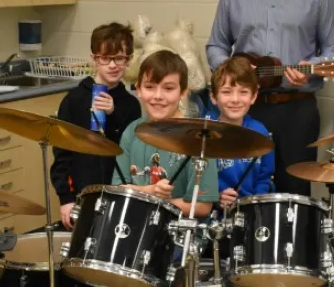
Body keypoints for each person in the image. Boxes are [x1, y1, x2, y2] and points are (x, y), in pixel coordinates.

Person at [206, 0, 334, 198]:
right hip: (243, 109)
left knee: (294, 193)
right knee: (240, 190)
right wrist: (235, 75)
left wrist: (307, 70)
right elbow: (216, 45)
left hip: (297, 110)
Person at [51, 22, 141, 230]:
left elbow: (130, 150)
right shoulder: (74, 100)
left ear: (129, 59)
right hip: (83, 193)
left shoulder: (131, 104)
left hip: (118, 194)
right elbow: (62, 153)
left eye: (119, 58)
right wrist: (66, 198)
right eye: (105, 58)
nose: (113, 65)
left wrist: (114, 114)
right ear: (94, 58)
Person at [113, 50, 219, 218]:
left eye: (168, 88)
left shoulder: (199, 139)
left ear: (183, 92)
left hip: (179, 235)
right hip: (136, 228)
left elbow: (202, 206)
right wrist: (151, 192)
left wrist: (156, 200)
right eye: (149, 87)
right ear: (138, 89)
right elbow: (118, 191)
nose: (158, 96)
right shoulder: (131, 132)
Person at [208, 56, 275, 211]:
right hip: (212, 218)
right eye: (226, 92)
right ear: (213, 97)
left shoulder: (261, 133)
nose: (235, 99)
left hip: (249, 214)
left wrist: (254, 204)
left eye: (243, 92)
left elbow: (264, 179)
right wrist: (214, 196)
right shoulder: (203, 132)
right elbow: (194, 182)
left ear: (254, 96)